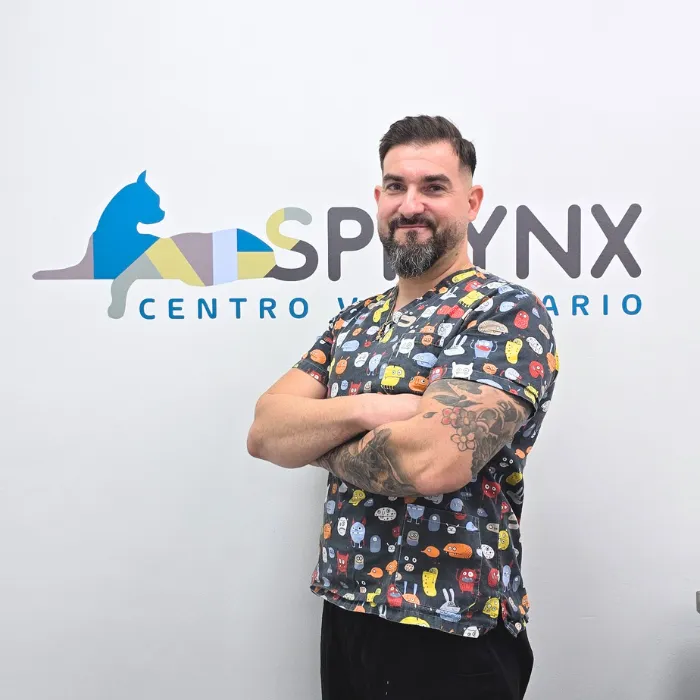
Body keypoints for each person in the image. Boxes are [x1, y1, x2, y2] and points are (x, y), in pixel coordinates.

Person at [247, 115, 559, 699]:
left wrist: (316, 441)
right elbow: (266, 430)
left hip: (453, 629)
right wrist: (372, 409)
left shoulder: (502, 312)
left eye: (433, 187)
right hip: (347, 612)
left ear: (472, 201)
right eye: (396, 186)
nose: (410, 205)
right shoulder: (354, 320)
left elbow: (430, 462)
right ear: (379, 198)